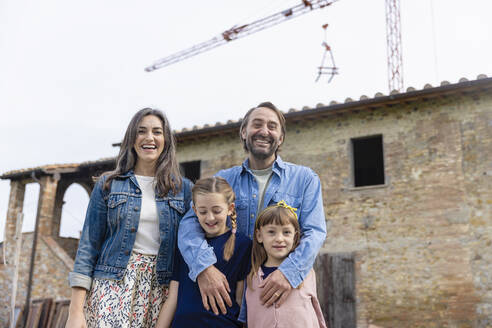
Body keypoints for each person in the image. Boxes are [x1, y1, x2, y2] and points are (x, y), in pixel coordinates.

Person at [178, 101, 327, 317]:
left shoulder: (305, 180)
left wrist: (288, 273)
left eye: (272, 126)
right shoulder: (223, 180)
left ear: (281, 137)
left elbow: (315, 233)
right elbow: (189, 223)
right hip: (230, 298)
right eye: (257, 124)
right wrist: (203, 268)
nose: (264, 131)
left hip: (285, 293)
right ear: (243, 132)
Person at [66, 108, 193, 328]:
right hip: (112, 285)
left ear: (166, 141)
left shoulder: (183, 190)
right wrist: (75, 312)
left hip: (160, 291)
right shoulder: (108, 184)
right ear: (131, 139)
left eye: (157, 132)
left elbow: (192, 243)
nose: (149, 138)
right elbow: (88, 247)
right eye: (141, 131)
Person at [156, 177, 251, 328]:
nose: (210, 217)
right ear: (194, 210)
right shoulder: (185, 246)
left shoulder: (243, 245)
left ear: (230, 208)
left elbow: (241, 301)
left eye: (216, 210)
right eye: (203, 211)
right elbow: (173, 298)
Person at [246, 201, 327, 328]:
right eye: (271, 232)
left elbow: (316, 312)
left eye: (286, 232)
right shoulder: (252, 279)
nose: (279, 238)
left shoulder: (306, 274)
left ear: (295, 237)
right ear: (259, 235)